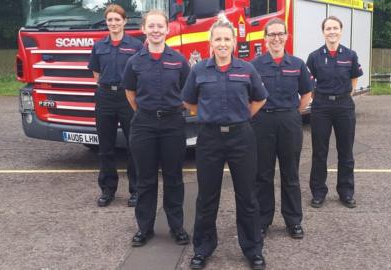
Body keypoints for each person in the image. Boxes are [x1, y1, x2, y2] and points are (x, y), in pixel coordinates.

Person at [182, 13, 268, 270]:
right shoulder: (198, 70)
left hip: (242, 137)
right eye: (217, 39)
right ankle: (203, 248)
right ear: (210, 42)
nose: (222, 43)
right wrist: (208, 117)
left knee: (247, 196)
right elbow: (189, 102)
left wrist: (242, 117)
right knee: (207, 197)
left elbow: (259, 98)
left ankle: (253, 249)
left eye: (226, 39)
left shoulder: (247, 69)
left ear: (233, 42)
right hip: (209, 138)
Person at [123, 10, 190, 247]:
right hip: (144, 124)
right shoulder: (134, 61)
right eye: (151, 26)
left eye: (160, 26)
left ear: (167, 29)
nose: (156, 30)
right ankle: (145, 228)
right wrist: (147, 111)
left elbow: (187, 90)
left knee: (173, 178)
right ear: (144, 29)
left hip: (173, 124)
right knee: (145, 179)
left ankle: (176, 226)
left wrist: (171, 109)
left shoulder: (179, 60)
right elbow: (130, 94)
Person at [251, 18, 313, 238]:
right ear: (265, 38)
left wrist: (294, 113)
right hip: (262, 123)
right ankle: (262, 220)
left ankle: (293, 221)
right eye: (272, 34)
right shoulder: (255, 65)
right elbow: (249, 95)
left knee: (290, 174)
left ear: (286, 36)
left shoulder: (297, 64)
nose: (276, 38)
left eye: (280, 34)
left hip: (289, 122)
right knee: (263, 174)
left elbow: (307, 93)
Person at [88, 4, 141, 208]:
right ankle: (108, 190)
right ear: (106, 22)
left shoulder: (136, 46)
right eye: (110, 20)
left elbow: (139, 74)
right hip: (104, 98)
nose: (113, 23)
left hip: (127, 97)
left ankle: (136, 191)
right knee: (106, 147)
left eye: (117, 20)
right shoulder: (99, 46)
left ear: (124, 21)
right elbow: (96, 74)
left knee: (133, 145)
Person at [306, 16, 363, 209]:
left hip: (344, 106)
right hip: (321, 107)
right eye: (328, 28)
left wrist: (343, 96)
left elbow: (354, 80)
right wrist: (321, 97)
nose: (332, 31)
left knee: (345, 151)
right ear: (323, 32)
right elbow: (310, 83)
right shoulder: (314, 57)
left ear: (341, 30)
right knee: (319, 152)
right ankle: (318, 192)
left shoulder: (350, 55)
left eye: (335, 28)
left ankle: (346, 192)